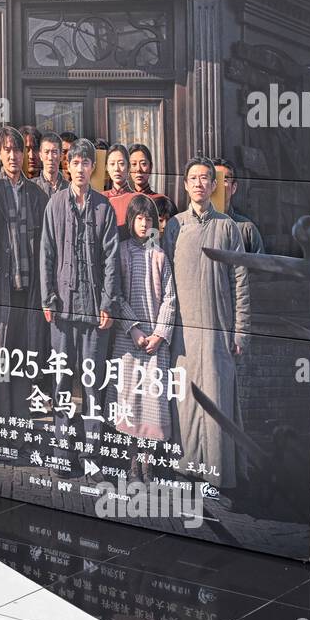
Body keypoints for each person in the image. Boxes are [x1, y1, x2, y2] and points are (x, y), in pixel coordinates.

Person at [161, 157, 250, 491]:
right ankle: (187, 469)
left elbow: (240, 281)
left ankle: (217, 474)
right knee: (184, 400)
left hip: (216, 328)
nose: (198, 183)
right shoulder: (175, 226)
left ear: (215, 185)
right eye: (193, 178)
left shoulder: (228, 227)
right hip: (182, 331)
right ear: (184, 185)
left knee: (216, 400)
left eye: (205, 178)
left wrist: (240, 330)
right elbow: (164, 280)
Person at [40, 138, 118, 454]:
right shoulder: (55, 204)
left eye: (86, 162)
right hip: (61, 310)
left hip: (94, 311)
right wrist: (47, 298)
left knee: (93, 384)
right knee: (60, 382)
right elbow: (45, 253)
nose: (81, 168)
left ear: (93, 167)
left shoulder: (103, 207)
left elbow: (112, 259)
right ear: (67, 166)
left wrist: (108, 303)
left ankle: (92, 456)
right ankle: (61, 452)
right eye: (75, 162)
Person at [0, 126, 48, 418]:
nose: (13, 155)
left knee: (23, 357)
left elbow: (47, 247)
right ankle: (0, 422)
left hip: (29, 291)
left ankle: (19, 426)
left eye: (17, 149)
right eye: (7, 149)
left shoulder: (36, 194)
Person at [112, 196, 177, 479]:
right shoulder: (122, 252)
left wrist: (160, 334)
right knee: (128, 402)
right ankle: (130, 463)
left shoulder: (160, 255)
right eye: (139, 218)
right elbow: (116, 296)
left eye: (149, 219)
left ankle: (147, 463)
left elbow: (170, 300)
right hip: (128, 341)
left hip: (155, 344)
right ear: (131, 220)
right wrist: (133, 328)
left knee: (152, 403)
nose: (144, 224)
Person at [213, 158, 265, 253]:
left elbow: (259, 266)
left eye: (223, 180)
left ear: (234, 187)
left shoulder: (246, 229)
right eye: (215, 179)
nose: (218, 185)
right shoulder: (186, 225)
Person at [32, 132, 66, 198]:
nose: (50, 157)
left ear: (61, 156)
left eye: (54, 152)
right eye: (46, 152)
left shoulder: (69, 188)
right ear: (40, 155)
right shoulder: (31, 187)